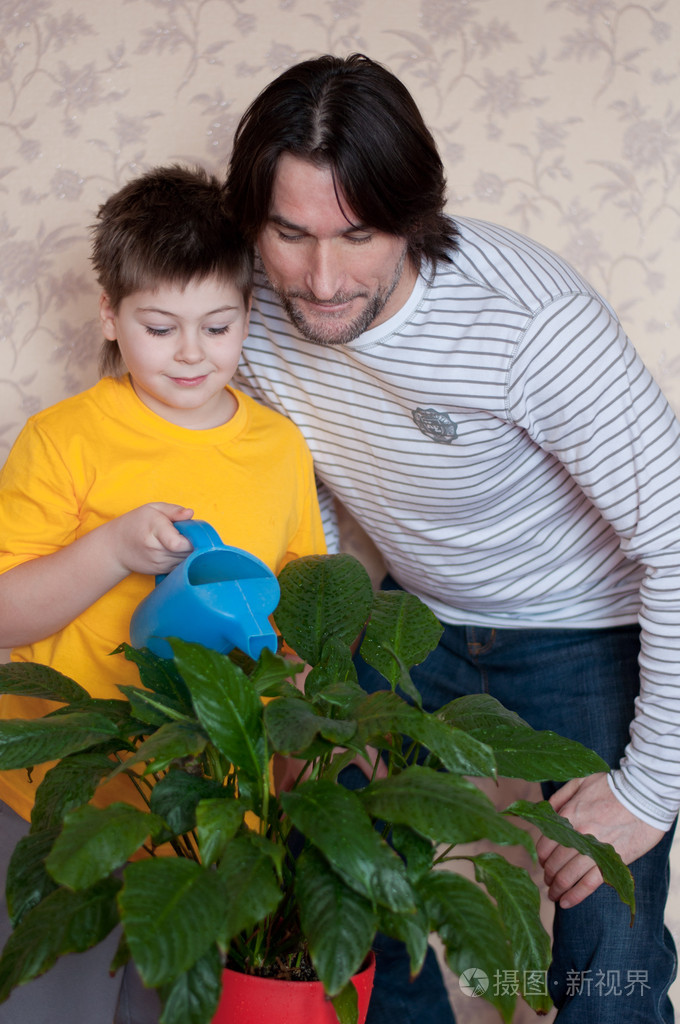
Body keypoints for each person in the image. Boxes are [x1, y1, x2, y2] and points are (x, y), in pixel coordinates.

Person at [225, 53, 680, 1023]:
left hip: (581, 627)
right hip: (407, 618)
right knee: (342, 874)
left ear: (413, 214)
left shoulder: (529, 320)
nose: (319, 278)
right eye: (289, 233)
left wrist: (645, 792)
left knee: (609, 945)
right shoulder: (246, 309)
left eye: (357, 235)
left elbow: (678, 540)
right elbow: (274, 473)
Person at [0, 164, 325, 1023]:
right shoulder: (66, 439)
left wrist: (291, 762)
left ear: (250, 315)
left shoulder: (279, 448)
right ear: (109, 315)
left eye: (218, 326)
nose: (192, 353)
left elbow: (299, 626)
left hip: (209, 812)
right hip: (58, 798)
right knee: (46, 1004)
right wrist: (109, 549)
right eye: (160, 326)